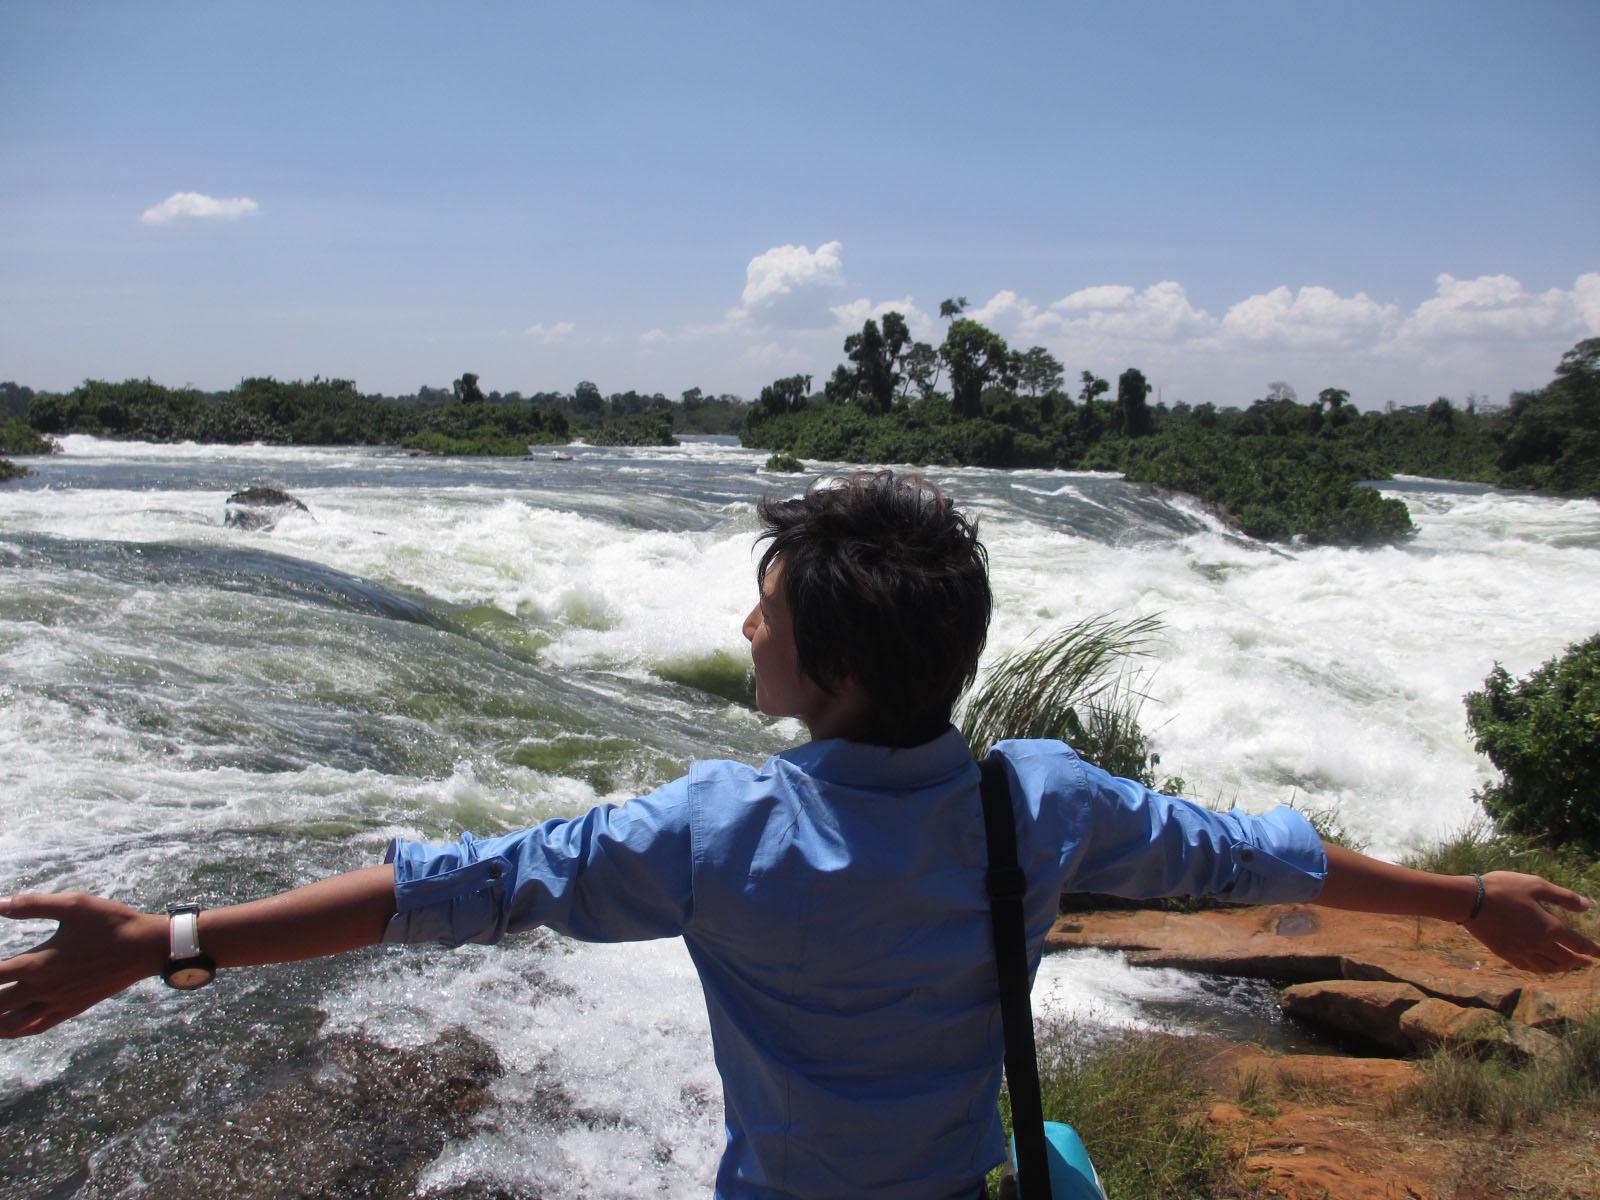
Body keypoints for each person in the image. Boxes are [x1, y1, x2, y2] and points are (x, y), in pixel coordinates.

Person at [1, 471, 1595, 1199]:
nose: (743, 631)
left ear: (826, 667)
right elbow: (1261, 859)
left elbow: (451, 893)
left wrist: (169, 944)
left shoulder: (712, 831)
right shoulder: (1035, 799)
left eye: (762, 614)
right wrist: (1464, 897)